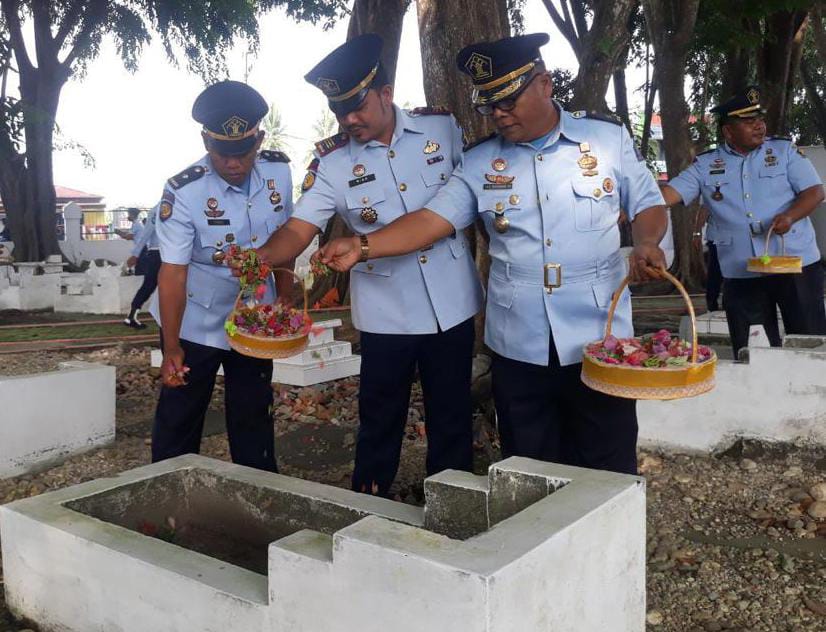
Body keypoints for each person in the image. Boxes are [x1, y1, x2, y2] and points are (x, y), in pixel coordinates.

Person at [316, 33, 668, 476]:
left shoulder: (605, 138)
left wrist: (649, 242)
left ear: (544, 84)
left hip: (600, 334)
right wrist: (363, 245)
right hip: (518, 342)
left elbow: (648, 203)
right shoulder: (481, 161)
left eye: (508, 100)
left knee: (609, 460)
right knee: (529, 468)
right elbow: (431, 220)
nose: (499, 114)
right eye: (489, 105)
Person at [245, 34, 483, 496]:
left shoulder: (442, 130)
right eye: (340, 111)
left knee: (451, 412)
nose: (349, 119)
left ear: (386, 94)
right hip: (386, 313)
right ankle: (371, 505)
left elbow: (474, 198)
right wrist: (265, 257)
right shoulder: (333, 163)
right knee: (380, 416)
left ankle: (452, 502)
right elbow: (300, 227)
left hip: (451, 304)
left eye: (357, 106)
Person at [150, 80, 294, 472]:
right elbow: (173, 273)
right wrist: (172, 346)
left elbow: (285, 238)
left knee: (253, 413)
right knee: (180, 414)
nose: (234, 163)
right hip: (196, 316)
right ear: (205, 141)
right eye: (222, 152)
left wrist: (284, 297)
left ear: (259, 139)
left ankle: (260, 495)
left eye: (243, 152)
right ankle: (166, 499)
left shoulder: (279, 172)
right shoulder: (184, 190)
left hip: (254, 317)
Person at [660, 86, 826, 357]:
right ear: (728, 131)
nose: (759, 126)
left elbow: (815, 192)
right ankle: (764, 397)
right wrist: (633, 201)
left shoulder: (783, 152)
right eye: (749, 122)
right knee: (753, 349)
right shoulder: (706, 164)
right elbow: (670, 194)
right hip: (741, 269)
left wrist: (790, 216)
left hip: (795, 265)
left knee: (810, 343)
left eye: (760, 119)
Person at [123, 203, 161, 328]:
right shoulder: (158, 209)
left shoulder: (183, 205)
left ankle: (132, 316)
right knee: (149, 285)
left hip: (173, 253)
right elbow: (146, 234)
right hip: (157, 253)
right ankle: (131, 316)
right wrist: (135, 254)